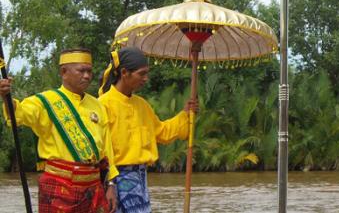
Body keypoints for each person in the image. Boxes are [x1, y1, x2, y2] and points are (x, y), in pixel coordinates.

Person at [0, 48, 119, 213]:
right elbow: (18, 114)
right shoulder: (45, 101)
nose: (86, 76)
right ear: (64, 72)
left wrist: (111, 184)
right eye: (81, 71)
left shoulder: (97, 104)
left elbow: (107, 149)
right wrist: (6, 97)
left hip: (94, 185)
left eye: (89, 71)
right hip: (59, 185)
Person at [98, 46, 197, 213]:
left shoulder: (142, 105)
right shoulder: (103, 105)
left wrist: (186, 114)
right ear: (124, 73)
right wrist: (110, 183)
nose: (146, 78)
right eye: (141, 73)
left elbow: (162, 132)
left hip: (140, 178)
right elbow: (100, 150)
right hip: (114, 180)